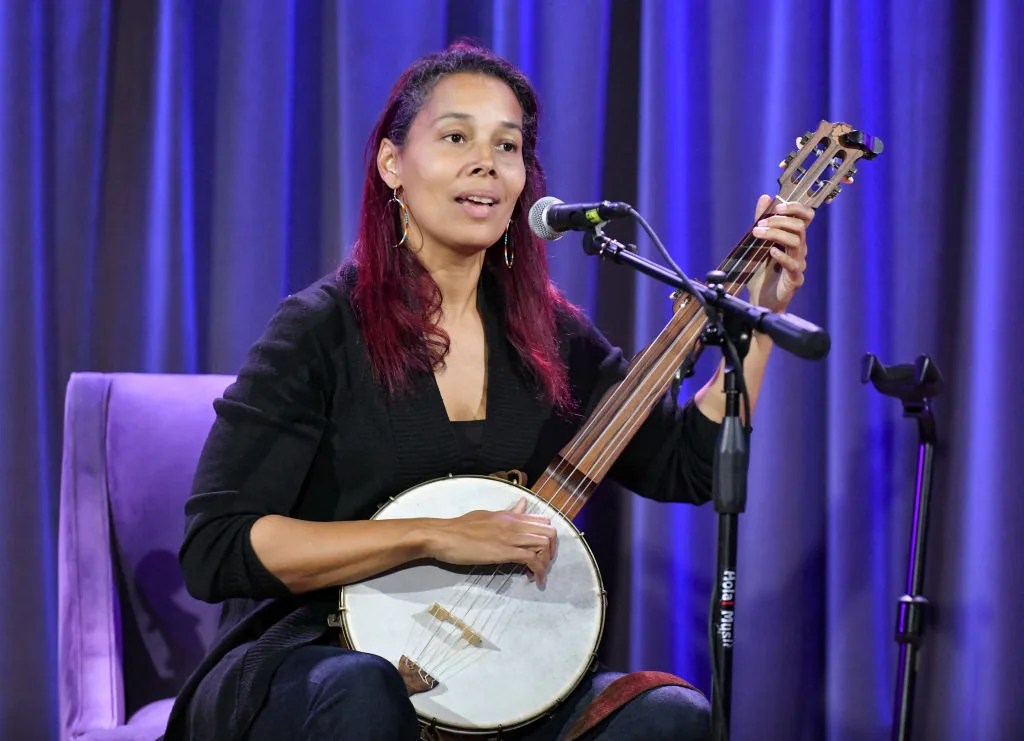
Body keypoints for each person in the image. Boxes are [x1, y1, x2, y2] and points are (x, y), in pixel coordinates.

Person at [162, 42, 814, 741]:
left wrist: (760, 323)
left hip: (485, 672)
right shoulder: (319, 329)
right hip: (312, 658)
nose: (486, 162)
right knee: (363, 689)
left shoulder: (551, 338)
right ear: (392, 166)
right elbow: (218, 545)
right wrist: (439, 535)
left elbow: (684, 464)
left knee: (670, 719)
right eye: (455, 137)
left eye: (508, 147)